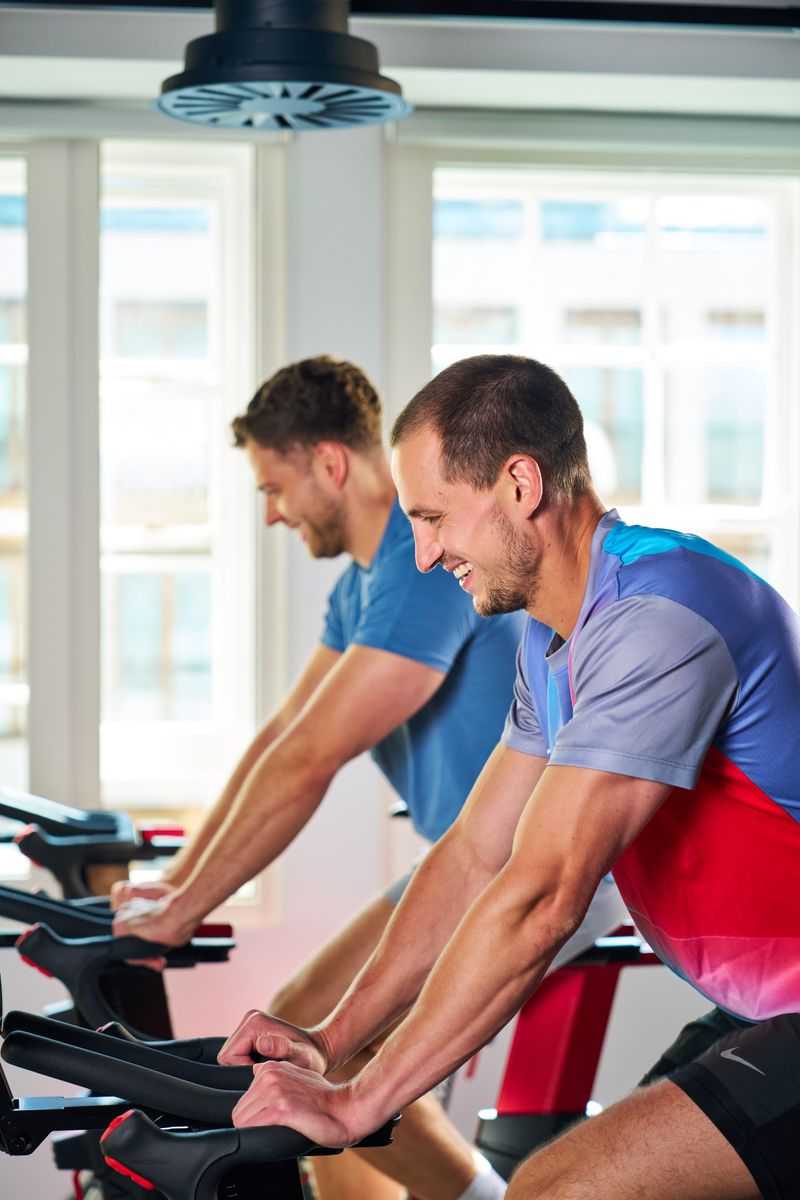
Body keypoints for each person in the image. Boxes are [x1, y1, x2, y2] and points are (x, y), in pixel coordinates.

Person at [220, 353, 800, 1200]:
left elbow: (542, 895)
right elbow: (474, 854)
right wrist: (331, 1040)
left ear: (519, 485)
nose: (421, 556)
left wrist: (359, 1103)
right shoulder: (557, 637)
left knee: (554, 1190)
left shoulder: (659, 614)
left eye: (433, 518)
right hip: (757, 1007)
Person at [112, 355, 625, 1200]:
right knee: (297, 1033)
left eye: (275, 489)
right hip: (467, 855)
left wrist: (187, 909)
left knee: (322, 1050)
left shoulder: (419, 571)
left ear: (329, 464)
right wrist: (177, 887)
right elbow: (286, 734)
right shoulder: (366, 582)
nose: (273, 515)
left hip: (541, 855)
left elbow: (316, 757)